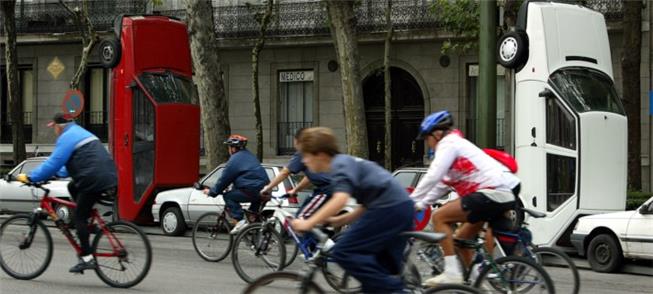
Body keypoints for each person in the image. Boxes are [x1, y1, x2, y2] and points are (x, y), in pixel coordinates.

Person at [290, 127, 414, 293]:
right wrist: (339, 221)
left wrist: (308, 223)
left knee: (343, 251)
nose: (304, 161)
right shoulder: (345, 163)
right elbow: (366, 204)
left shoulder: (339, 166)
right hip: (399, 208)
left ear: (319, 154)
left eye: (305, 155)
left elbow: (340, 199)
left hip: (389, 209)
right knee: (378, 276)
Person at [410, 110, 521, 286]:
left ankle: (452, 273)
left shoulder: (449, 144)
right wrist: (420, 204)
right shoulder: (456, 148)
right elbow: (441, 185)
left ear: (437, 134)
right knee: (460, 240)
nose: (427, 143)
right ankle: (479, 286)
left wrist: (410, 200)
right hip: (498, 195)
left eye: (426, 138)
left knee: (439, 217)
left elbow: (433, 175)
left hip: (491, 194)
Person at [17, 113, 118, 273]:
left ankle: (87, 258)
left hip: (93, 178)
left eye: (54, 127)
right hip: (106, 175)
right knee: (72, 187)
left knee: (78, 216)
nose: (54, 131)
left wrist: (31, 177)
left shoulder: (66, 136)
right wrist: (57, 174)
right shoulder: (79, 132)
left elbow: (53, 163)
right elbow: (69, 164)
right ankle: (88, 224)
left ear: (59, 126)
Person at [203, 135, 270, 234]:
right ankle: (253, 234)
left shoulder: (235, 160)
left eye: (229, 147)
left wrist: (212, 192)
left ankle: (239, 221)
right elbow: (246, 176)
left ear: (233, 148)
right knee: (251, 217)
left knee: (228, 196)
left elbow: (224, 179)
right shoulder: (250, 156)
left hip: (251, 190)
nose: (228, 150)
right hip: (264, 190)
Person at [261, 128, 332, 220]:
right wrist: (295, 190)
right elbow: (309, 177)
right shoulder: (315, 152)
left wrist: (268, 188)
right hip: (329, 189)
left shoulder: (303, 153)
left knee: (301, 218)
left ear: (298, 140)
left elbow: (285, 172)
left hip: (326, 190)